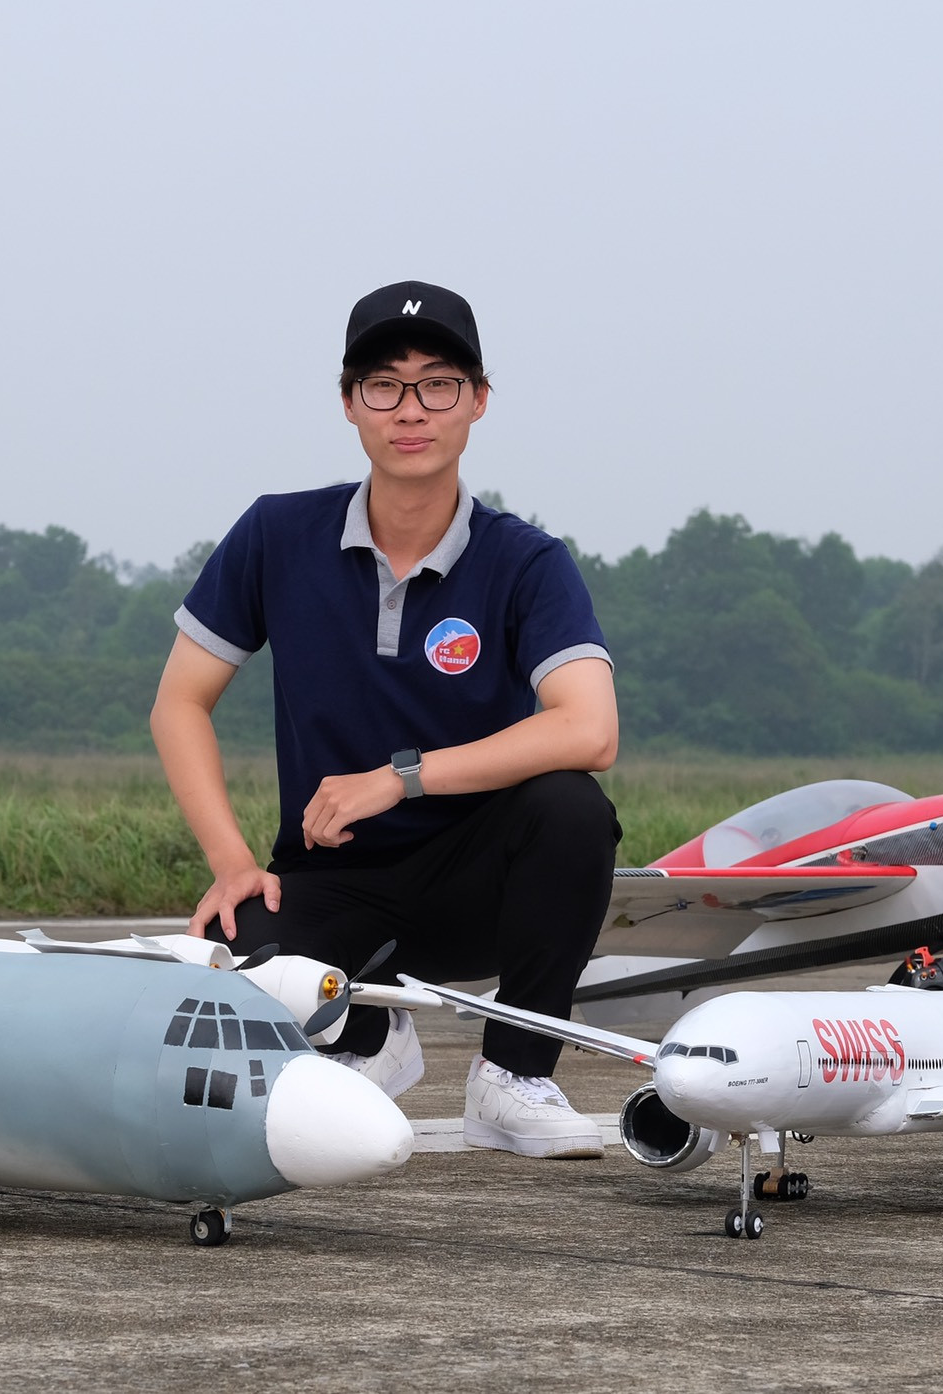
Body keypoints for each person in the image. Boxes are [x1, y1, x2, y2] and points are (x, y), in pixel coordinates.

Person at [152, 281, 621, 1160]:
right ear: (348, 403)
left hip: (477, 885)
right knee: (229, 968)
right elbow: (180, 702)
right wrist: (228, 862)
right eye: (385, 385)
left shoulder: (526, 561)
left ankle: (514, 1075)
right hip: (328, 878)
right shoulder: (276, 534)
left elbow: (590, 730)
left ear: (478, 399)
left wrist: (400, 778)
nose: (412, 411)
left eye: (437, 384)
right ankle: (365, 1035)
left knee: (571, 808)